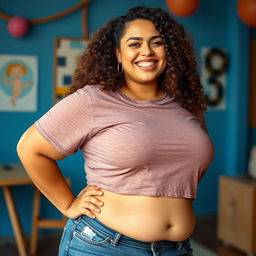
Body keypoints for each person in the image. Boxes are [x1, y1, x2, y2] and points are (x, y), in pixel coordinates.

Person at [17, 6, 214, 256]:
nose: (147, 51)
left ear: (170, 50)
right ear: (118, 54)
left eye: (157, 43)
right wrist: (67, 204)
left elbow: (190, 165)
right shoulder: (93, 100)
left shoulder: (187, 104)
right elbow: (30, 148)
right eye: (134, 44)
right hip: (104, 246)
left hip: (176, 249)